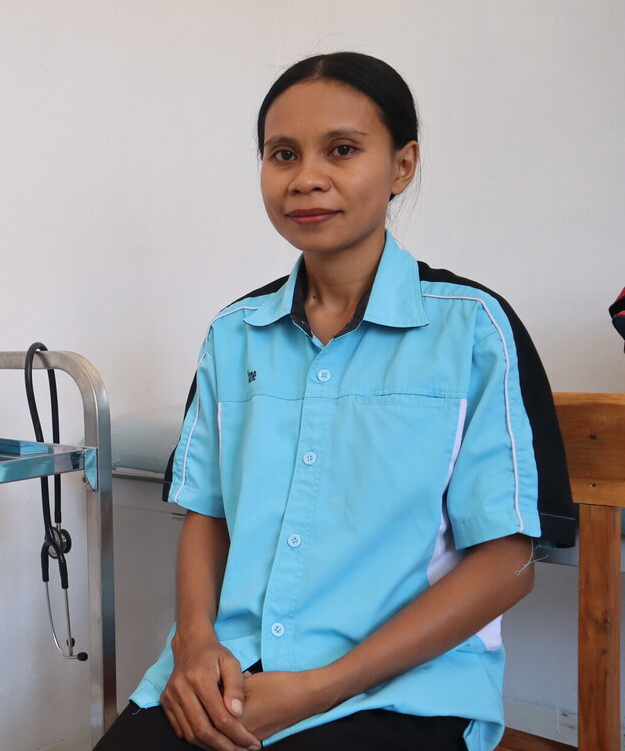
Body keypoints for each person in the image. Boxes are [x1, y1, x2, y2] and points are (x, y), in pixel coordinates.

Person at [94, 52, 577, 751]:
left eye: (342, 150)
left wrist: (323, 685)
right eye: (282, 154)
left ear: (402, 165)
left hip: (402, 684)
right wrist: (195, 645)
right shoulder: (234, 336)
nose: (306, 178)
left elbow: (506, 560)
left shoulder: (473, 329)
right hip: (229, 671)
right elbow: (206, 514)